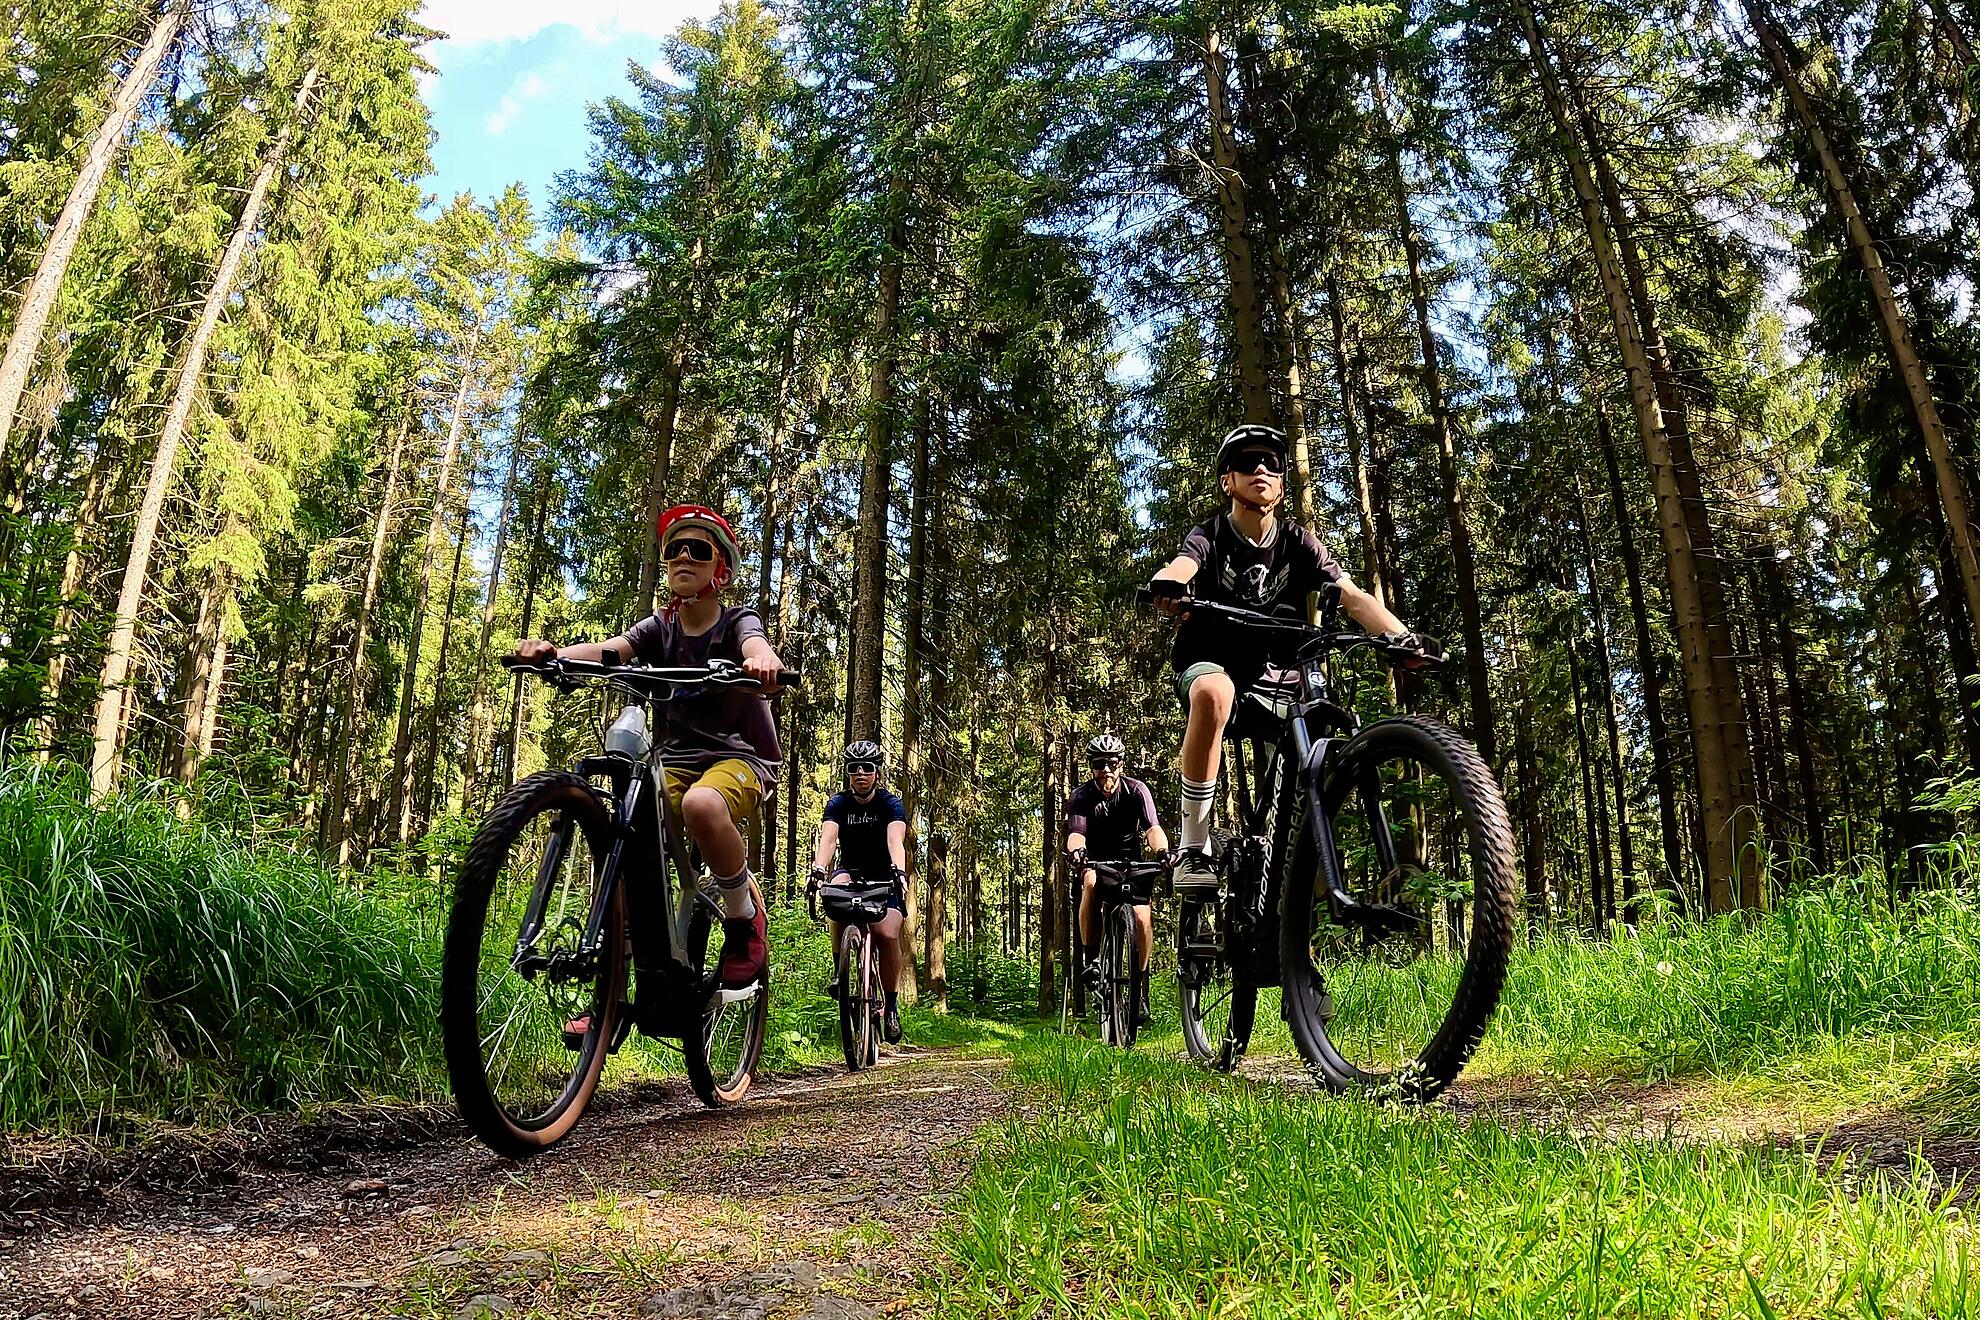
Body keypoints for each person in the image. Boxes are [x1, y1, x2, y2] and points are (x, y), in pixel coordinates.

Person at [512, 504, 786, 1004]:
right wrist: (555, 655)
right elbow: (611, 651)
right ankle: (609, 998)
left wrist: (759, 659)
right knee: (626, 830)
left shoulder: (735, 623)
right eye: (673, 549)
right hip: (674, 761)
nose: (683, 556)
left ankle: (744, 919)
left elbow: (754, 642)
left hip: (739, 758)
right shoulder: (657, 629)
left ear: (719, 569)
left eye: (698, 550)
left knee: (701, 805)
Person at [1149, 424, 1437, 893]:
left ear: (1282, 483)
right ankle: (1194, 846)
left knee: (1322, 710)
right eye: (1246, 463)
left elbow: (1350, 595)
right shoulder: (1212, 533)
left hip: (1277, 673)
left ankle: (1295, 858)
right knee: (1214, 693)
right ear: (1228, 481)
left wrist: (1401, 638)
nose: (1259, 469)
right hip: (1212, 662)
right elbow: (1185, 563)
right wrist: (1170, 582)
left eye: (1271, 463)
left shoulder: (1299, 541)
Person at [808, 740, 911, 1044]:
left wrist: (899, 871)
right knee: (833, 894)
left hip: (884, 874)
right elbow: (828, 839)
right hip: (850, 871)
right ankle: (840, 970)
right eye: (855, 768)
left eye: (867, 768)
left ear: (877, 772)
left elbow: (896, 840)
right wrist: (818, 869)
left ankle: (890, 1007)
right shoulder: (839, 804)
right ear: (848, 773)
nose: (861, 773)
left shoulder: (890, 804)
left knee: (888, 935)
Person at [1065, 733, 1167, 1027]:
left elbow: (1152, 827)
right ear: (1092, 767)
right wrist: (1077, 852)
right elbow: (1076, 833)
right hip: (1095, 861)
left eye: (1111, 763)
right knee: (1090, 882)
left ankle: (1141, 986)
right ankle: (1093, 960)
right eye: (1099, 764)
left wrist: (1161, 851)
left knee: (1143, 918)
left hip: (1130, 864)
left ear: (1121, 764)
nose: (1106, 770)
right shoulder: (1082, 796)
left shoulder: (1136, 791)